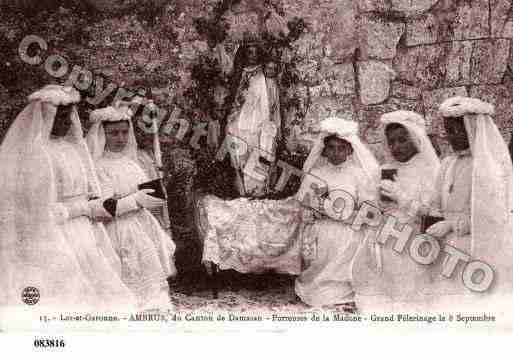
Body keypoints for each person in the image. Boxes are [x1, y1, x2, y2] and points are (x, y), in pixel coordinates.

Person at [0, 85, 135, 315]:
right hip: (55, 231)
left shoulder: (73, 148)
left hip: (84, 226)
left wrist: (93, 206)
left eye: (69, 117)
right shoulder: (36, 154)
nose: (66, 123)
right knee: (67, 288)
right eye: (60, 117)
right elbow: (40, 209)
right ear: (46, 117)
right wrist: (83, 208)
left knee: (102, 283)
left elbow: (88, 189)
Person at [425, 96, 513, 312]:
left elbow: (492, 216)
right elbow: (436, 202)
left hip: (475, 244)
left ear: (473, 129)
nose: (452, 137)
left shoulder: (487, 167)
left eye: (458, 130)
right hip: (444, 246)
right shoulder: (447, 164)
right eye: (449, 131)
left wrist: (453, 225)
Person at [86, 104, 177, 309]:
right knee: (125, 278)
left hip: (142, 224)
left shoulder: (132, 163)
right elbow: (103, 208)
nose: (120, 138)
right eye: (114, 133)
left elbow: (152, 197)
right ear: (102, 135)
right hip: (117, 229)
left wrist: (157, 191)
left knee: (151, 279)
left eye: (124, 133)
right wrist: (136, 200)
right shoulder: (99, 167)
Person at [351, 111, 441, 312]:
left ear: (416, 139)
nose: (396, 147)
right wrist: (374, 204)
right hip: (386, 230)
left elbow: (431, 212)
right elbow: (373, 203)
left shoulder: (429, 170)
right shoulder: (386, 169)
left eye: (402, 140)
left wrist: (402, 197)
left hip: (416, 232)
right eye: (392, 142)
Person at [294, 117, 379, 311]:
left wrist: (344, 214)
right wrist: (318, 209)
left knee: (347, 239)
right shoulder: (317, 173)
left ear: (350, 150)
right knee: (325, 237)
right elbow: (306, 206)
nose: (336, 152)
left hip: (350, 227)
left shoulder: (358, 175)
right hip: (322, 227)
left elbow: (369, 210)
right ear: (324, 149)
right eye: (331, 147)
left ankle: (345, 289)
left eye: (341, 148)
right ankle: (319, 287)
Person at [224, 35, 280, 197]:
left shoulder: (265, 74)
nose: (253, 56)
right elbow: (234, 95)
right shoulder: (240, 73)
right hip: (240, 117)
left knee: (259, 151)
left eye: (256, 53)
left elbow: (272, 98)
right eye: (250, 52)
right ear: (245, 54)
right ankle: (241, 189)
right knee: (238, 152)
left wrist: (273, 122)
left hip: (259, 118)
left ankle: (257, 189)